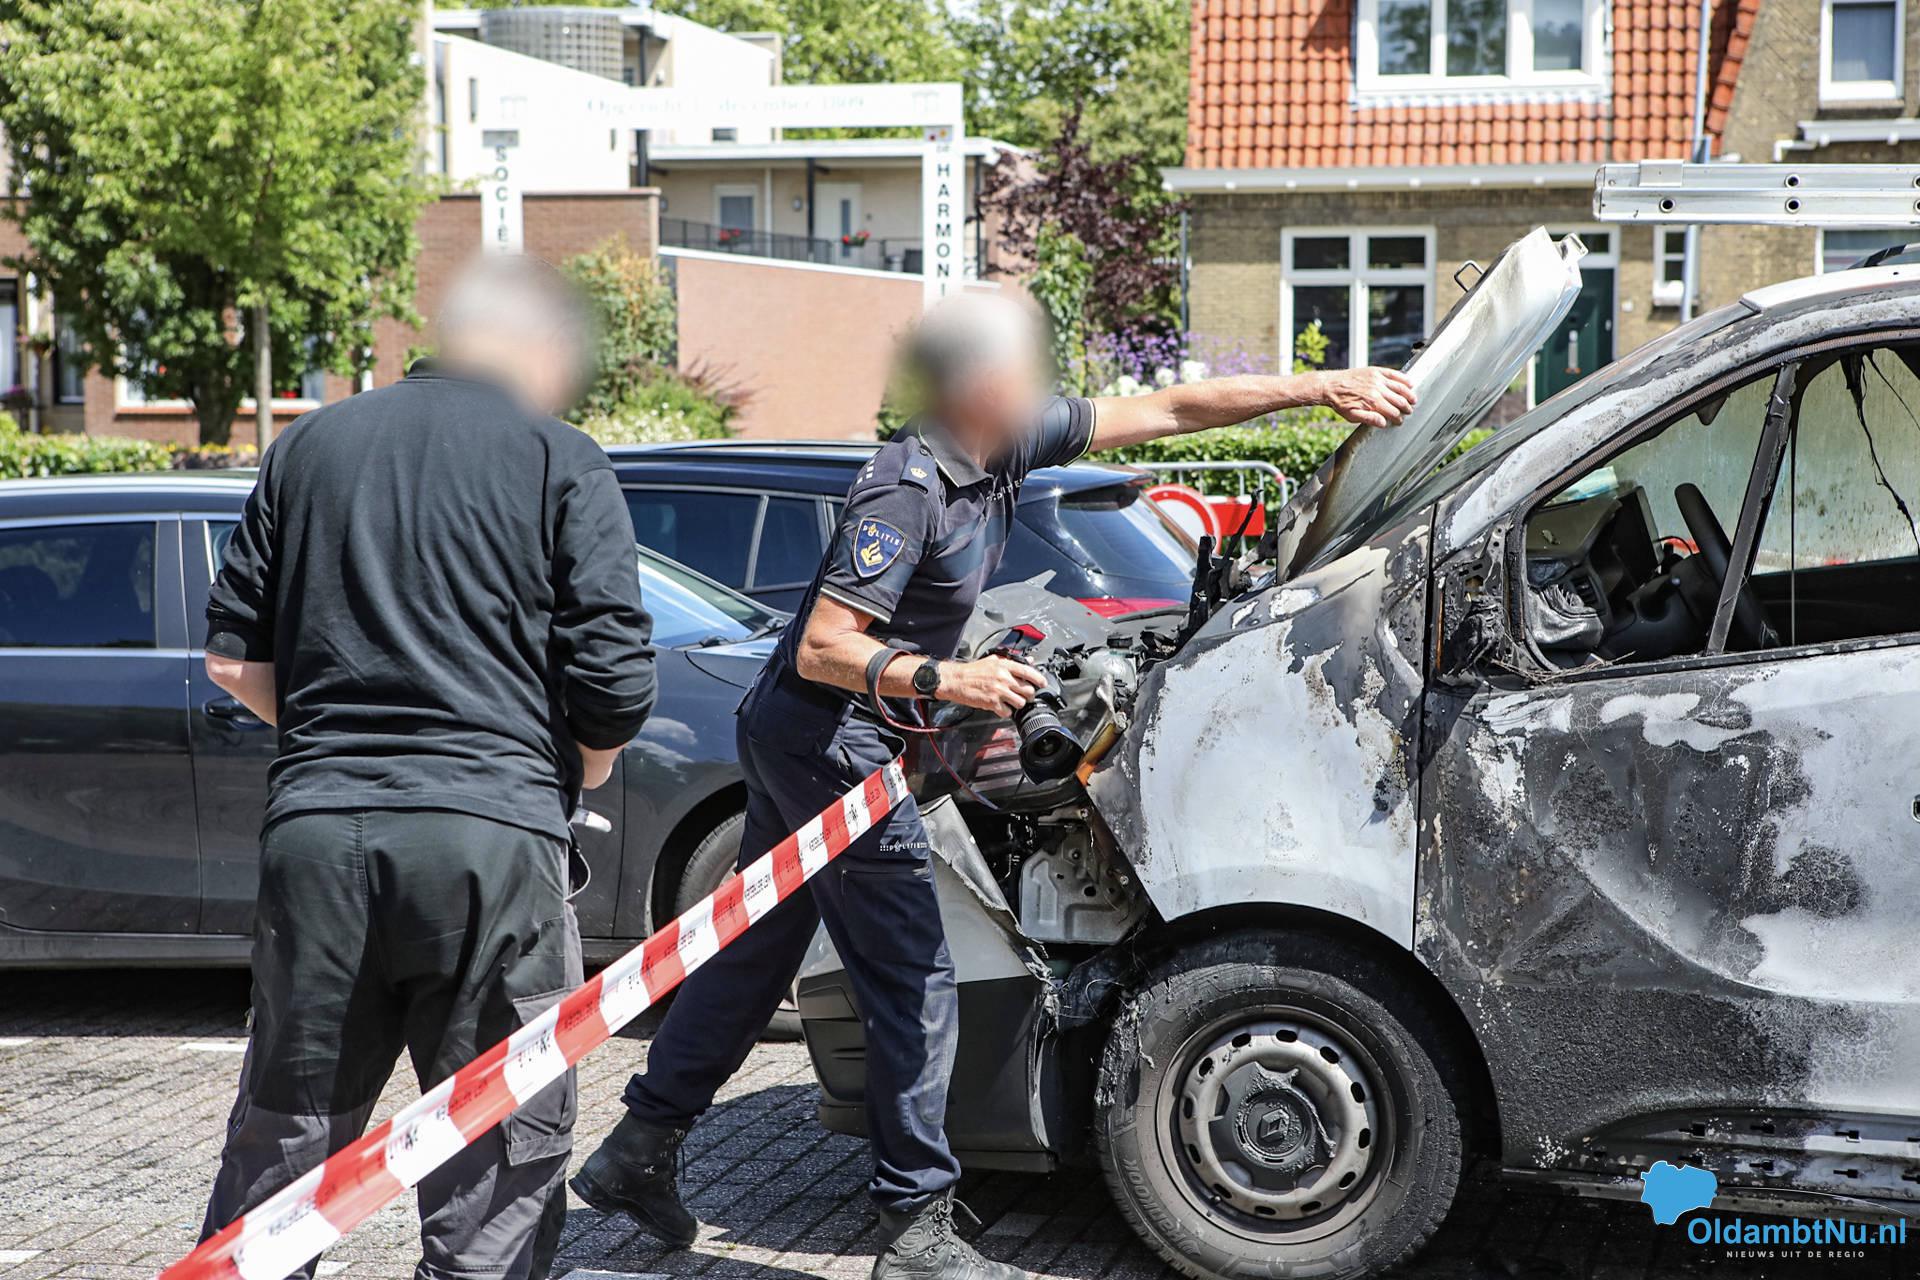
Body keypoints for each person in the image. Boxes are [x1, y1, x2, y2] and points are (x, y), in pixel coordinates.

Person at [570, 292, 1415, 1280]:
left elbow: (1172, 409)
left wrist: (1322, 386)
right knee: (915, 977)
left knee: (758, 952)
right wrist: (950, 680)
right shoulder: (906, 489)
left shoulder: (1007, 441)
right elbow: (824, 645)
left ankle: (636, 1149)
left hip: (811, 735)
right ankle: (916, 1227)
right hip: (828, 742)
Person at [198, 255, 657, 1280]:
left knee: (288, 1132)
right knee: (495, 1135)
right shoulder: (560, 457)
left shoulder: (307, 445)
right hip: (491, 839)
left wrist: (329, 739)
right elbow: (615, 677)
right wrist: (576, 768)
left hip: (320, 834)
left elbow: (232, 659)